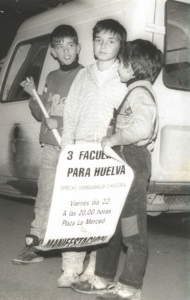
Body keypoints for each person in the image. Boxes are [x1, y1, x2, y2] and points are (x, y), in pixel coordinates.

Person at [72, 39, 163, 300]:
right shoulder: (134, 90)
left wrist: (113, 139)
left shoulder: (140, 94)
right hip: (124, 161)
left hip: (133, 161)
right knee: (110, 222)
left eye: (122, 63)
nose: (118, 67)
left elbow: (142, 129)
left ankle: (131, 286)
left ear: (134, 68)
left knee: (132, 228)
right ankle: (103, 277)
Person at [58, 19, 127, 288]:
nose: (103, 46)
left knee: (99, 214)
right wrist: (67, 143)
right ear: (92, 43)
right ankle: (70, 267)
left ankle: (94, 269)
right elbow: (71, 110)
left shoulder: (123, 75)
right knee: (73, 211)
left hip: (107, 152)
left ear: (120, 45)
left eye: (111, 41)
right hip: (80, 149)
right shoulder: (82, 75)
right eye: (99, 40)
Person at [12, 24, 83, 265]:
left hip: (72, 148)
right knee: (44, 197)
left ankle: (73, 252)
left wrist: (61, 121)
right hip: (51, 147)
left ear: (78, 48)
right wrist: (34, 97)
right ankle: (35, 245)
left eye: (70, 45)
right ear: (52, 52)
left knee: (71, 199)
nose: (66, 51)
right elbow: (41, 113)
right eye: (60, 47)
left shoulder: (84, 76)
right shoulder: (51, 77)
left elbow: (87, 113)